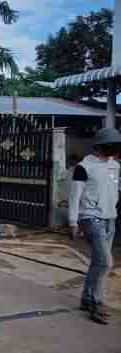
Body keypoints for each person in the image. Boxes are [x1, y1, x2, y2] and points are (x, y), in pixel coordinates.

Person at [68, 128, 120, 325]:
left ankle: (86, 299)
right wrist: (73, 222)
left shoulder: (115, 165)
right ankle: (97, 303)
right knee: (106, 262)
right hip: (91, 219)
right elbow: (74, 196)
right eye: (112, 146)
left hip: (110, 219)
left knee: (98, 262)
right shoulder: (84, 167)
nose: (115, 150)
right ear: (101, 146)